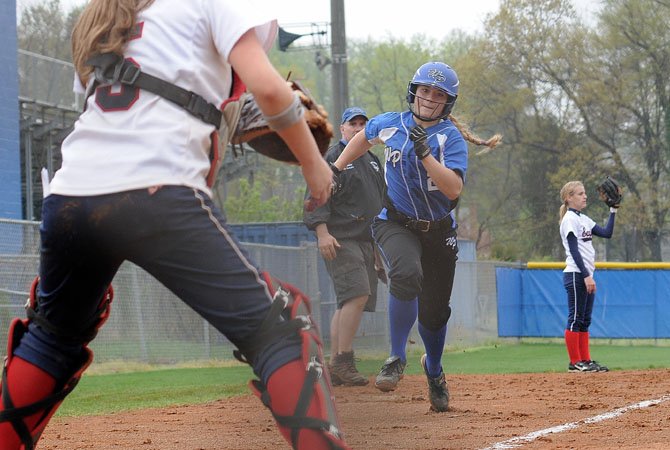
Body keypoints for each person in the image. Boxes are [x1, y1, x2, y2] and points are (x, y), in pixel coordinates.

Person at [0, 1, 350, 449]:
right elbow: (269, 89)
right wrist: (313, 163)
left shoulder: (104, 19)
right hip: (155, 190)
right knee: (281, 331)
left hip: (71, 198)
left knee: (50, 339)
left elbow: (134, 102)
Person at [331, 62, 501, 412]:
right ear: (414, 92)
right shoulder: (391, 123)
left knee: (435, 314)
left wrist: (424, 154)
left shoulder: (449, 138)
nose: (429, 98)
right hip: (395, 222)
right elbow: (363, 139)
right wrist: (335, 169)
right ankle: (395, 357)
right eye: (424, 90)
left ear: (447, 102)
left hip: (439, 231)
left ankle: (434, 370)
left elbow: (453, 189)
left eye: (438, 94)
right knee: (406, 274)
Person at [303, 106, 386, 387]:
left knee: (349, 300)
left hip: (365, 240)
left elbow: (377, 209)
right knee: (358, 294)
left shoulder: (373, 161)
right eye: (354, 123)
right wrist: (322, 232)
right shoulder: (333, 158)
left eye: (364, 123)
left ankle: (336, 364)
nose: (359, 127)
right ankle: (343, 361)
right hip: (340, 236)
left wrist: (378, 255)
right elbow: (315, 194)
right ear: (343, 129)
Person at [559, 181, 617, 373]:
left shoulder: (583, 218)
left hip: (585, 275)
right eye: (580, 193)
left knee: (585, 320)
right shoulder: (569, 219)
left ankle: (585, 360)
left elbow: (607, 233)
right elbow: (574, 250)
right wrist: (586, 276)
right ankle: (575, 362)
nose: (585, 196)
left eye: (584, 193)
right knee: (575, 318)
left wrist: (613, 210)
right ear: (569, 197)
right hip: (576, 274)